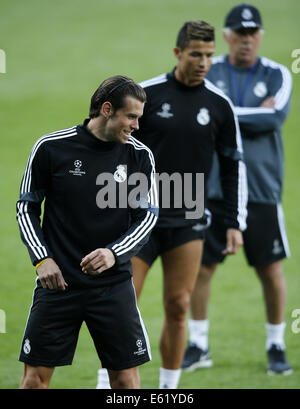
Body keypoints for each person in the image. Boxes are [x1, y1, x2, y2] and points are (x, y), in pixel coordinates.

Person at [96, 21, 248, 390]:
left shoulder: (219, 104)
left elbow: (232, 166)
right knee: (122, 302)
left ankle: (169, 388)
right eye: (196, 54)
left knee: (179, 305)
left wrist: (234, 221)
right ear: (178, 52)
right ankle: (106, 382)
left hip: (188, 218)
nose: (204, 62)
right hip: (137, 219)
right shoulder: (147, 96)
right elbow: (110, 149)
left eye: (210, 55)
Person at [16, 75, 158, 389]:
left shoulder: (138, 156)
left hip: (112, 286)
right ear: (107, 109)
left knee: (125, 381)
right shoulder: (52, 148)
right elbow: (26, 207)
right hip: (58, 284)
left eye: (139, 118)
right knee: (34, 382)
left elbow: (147, 217)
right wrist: (42, 260)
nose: (136, 126)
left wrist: (113, 253)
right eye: (131, 117)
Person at [182, 4, 293, 376]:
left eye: (253, 33)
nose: (247, 39)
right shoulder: (208, 69)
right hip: (215, 187)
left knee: (270, 270)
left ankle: (276, 344)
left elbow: (275, 117)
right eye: (239, 33)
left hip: (261, 188)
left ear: (260, 35)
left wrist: (224, 112)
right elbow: (199, 113)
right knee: (202, 268)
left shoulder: (277, 73)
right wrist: (245, 113)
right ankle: (198, 344)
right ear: (227, 36)